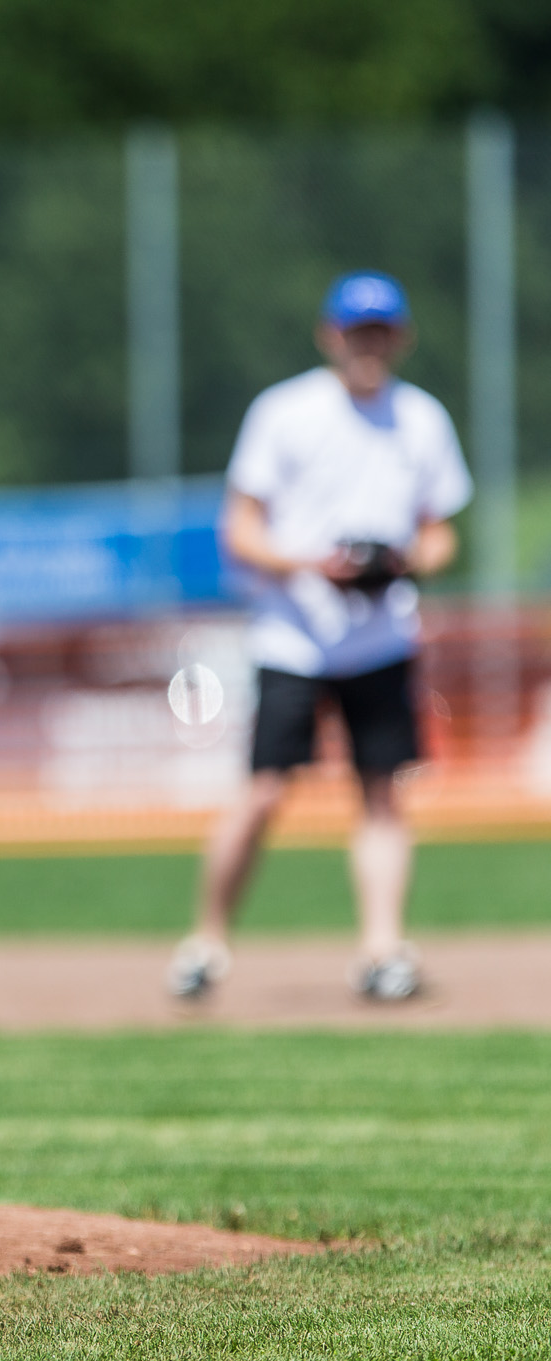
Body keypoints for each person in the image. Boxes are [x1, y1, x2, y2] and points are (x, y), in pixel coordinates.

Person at [168, 272, 471, 1003]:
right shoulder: (286, 412)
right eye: (355, 330)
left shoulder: (421, 419)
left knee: (383, 794)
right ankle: (207, 939)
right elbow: (241, 530)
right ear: (329, 334)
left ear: (399, 338)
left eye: (381, 331)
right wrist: (317, 565)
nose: (368, 344)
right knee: (266, 791)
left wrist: (398, 562)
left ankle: (382, 948)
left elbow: (440, 534)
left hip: (380, 639)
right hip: (295, 637)